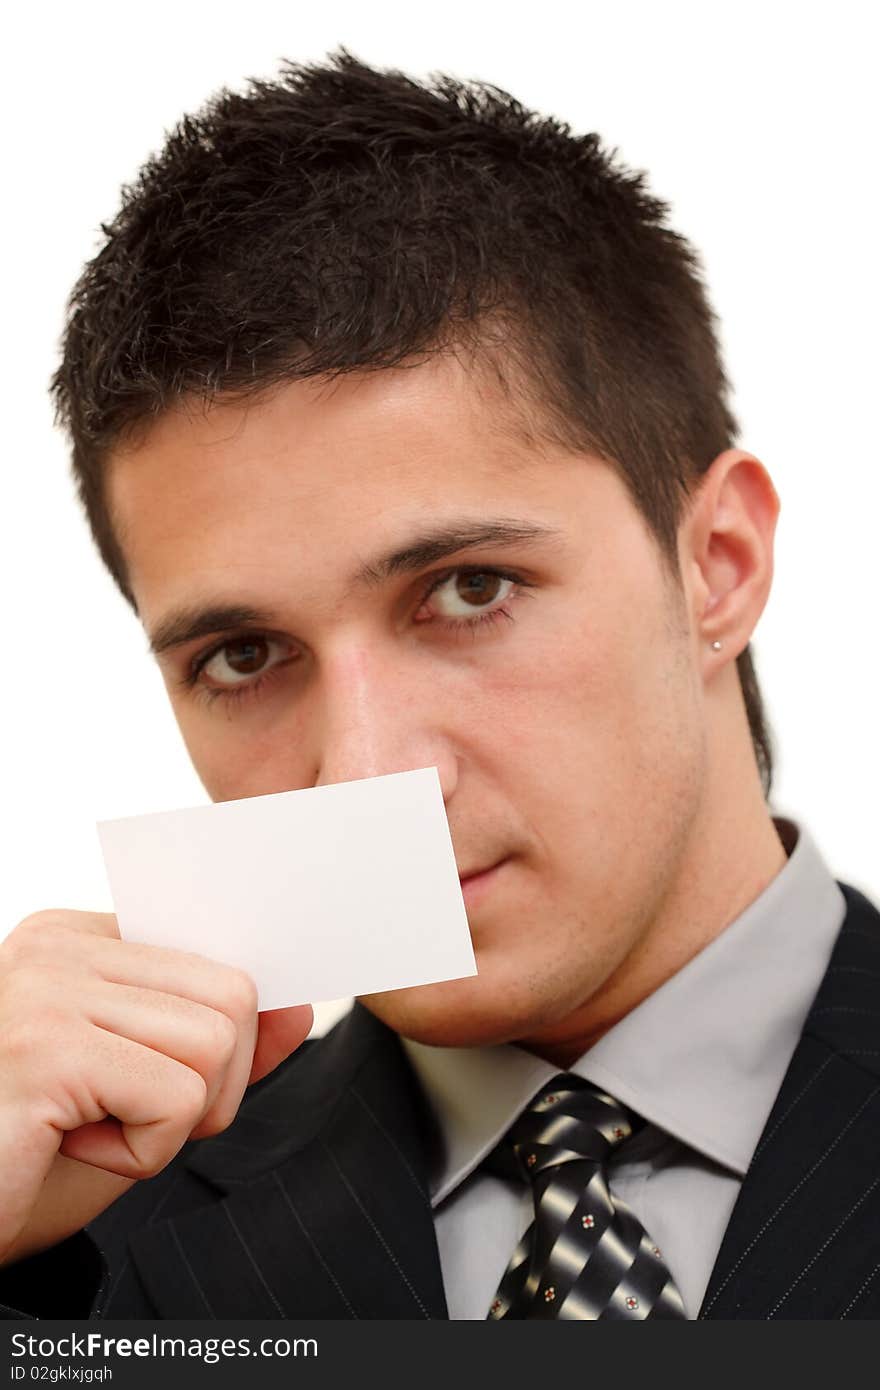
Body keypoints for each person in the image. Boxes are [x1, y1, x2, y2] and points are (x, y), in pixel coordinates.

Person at [1, 47, 878, 1323]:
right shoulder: (67, 1243)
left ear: (718, 566)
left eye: (468, 590)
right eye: (242, 657)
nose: (365, 772)